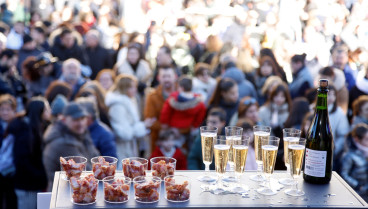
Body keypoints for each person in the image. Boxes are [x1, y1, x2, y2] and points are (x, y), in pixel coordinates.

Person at [43, 102, 100, 191]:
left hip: (74, 189)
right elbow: (86, 171)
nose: (80, 123)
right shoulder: (63, 142)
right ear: (64, 120)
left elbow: (96, 158)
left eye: (82, 118)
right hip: (63, 193)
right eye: (76, 119)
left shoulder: (80, 133)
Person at [8, 97, 50, 209]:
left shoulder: (35, 128)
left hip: (32, 182)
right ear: (39, 112)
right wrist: (41, 176)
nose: (49, 112)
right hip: (26, 184)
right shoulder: (25, 132)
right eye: (46, 109)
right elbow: (22, 160)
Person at [105, 74, 156, 160]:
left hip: (129, 147)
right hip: (121, 150)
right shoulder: (118, 106)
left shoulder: (129, 101)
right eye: (131, 87)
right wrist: (144, 126)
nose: (135, 90)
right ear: (124, 88)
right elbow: (125, 133)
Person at [160, 76, 206, 150]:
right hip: (189, 129)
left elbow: (165, 113)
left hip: (174, 130)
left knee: (174, 150)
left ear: (181, 87)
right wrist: (194, 125)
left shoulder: (173, 98)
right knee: (188, 149)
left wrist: (165, 125)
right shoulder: (198, 101)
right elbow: (201, 115)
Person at [144, 65, 178, 152]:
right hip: (159, 143)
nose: (166, 79)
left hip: (180, 140)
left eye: (169, 76)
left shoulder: (182, 94)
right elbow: (150, 120)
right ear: (159, 78)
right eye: (164, 76)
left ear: (175, 77)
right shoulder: (152, 96)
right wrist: (168, 128)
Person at [340, 123, 368, 201]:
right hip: (356, 194)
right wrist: (358, 186)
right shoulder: (349, 155)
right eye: (366, 139)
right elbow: (344, 175)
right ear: (357, 139)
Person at [326, 85, 350, 172]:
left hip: (330, 150)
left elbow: (343, 135)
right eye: (328, 94)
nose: (331, 97)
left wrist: (334, 149)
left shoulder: (338, 112)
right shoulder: (312, 108)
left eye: (334, 95)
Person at [0, 94, 17, 209]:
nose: (5, 113)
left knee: (11, 198)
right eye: (2, 110)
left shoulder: (17, 125)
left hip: (13, 169)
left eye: (8, 110)